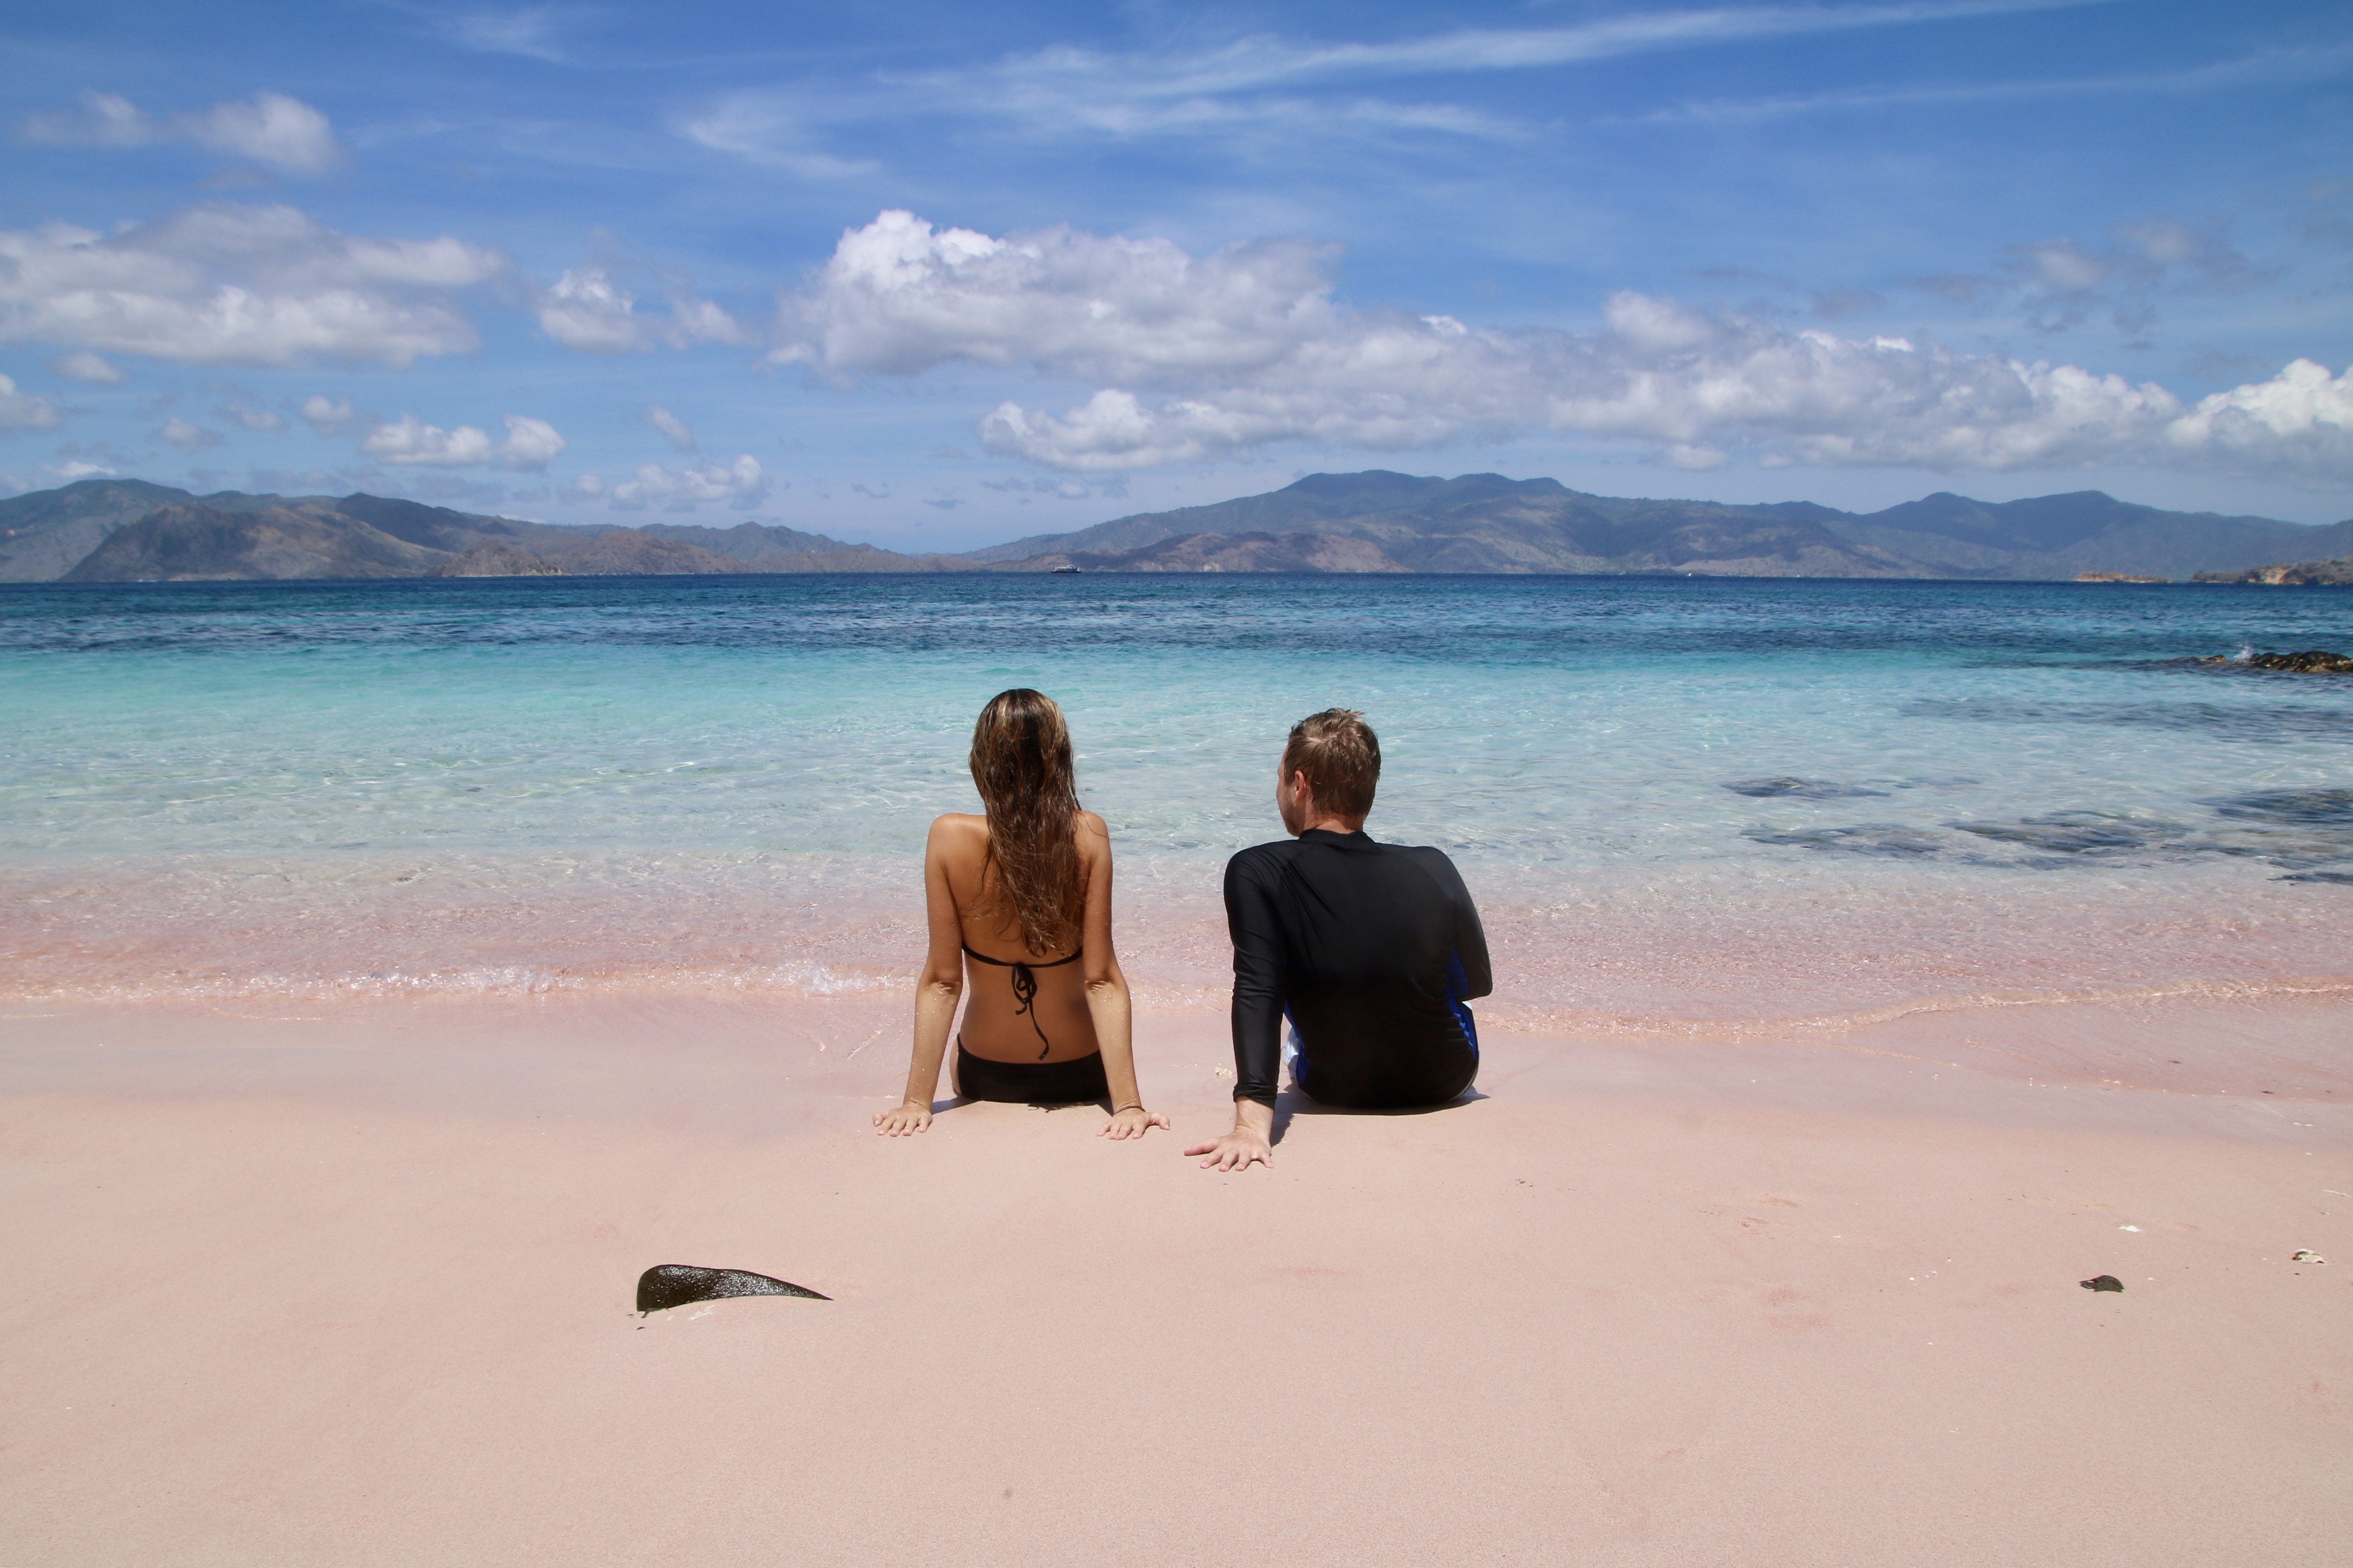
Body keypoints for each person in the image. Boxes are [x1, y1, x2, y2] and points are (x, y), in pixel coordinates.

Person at [1186, 709, 1491, 1171]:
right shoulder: (1434, 865)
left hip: (1332, 1084)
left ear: (1300, 784)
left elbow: (1258, 989)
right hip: (1445, 1080)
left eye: (1280, 778)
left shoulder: (1257, 869)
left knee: (1297, 969)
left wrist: (1250, 1125)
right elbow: (1476, 983)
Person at [874, 688, 1166, 1141]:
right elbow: (1102, 979)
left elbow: (943, 981)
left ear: (981, 760)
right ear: (1061, 758)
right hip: (1083, 1074)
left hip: (983, 1074)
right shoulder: (1089, 834)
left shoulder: (947, 837)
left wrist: (916, 1102)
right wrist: (1127, 1104)